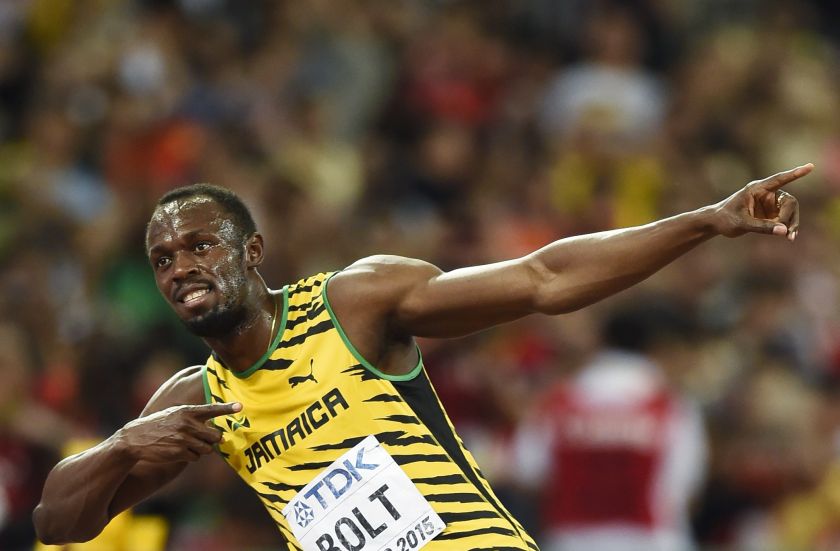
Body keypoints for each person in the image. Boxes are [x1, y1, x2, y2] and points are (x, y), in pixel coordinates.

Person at [33, 163, 812, 551]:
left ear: (254, 251)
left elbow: (544, 278)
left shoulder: (355, 303)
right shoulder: (193, 398)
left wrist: (708, 221)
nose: (180, 267)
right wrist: (124, 443)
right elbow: (58, 520)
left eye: (201, 244)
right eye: (163, 259)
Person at [513, 297, 707, 551]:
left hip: (569, 542)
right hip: (651, 542)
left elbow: (526, 472)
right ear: (660, 347)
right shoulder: (669, 406)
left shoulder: (559, 403)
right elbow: (686, 489)